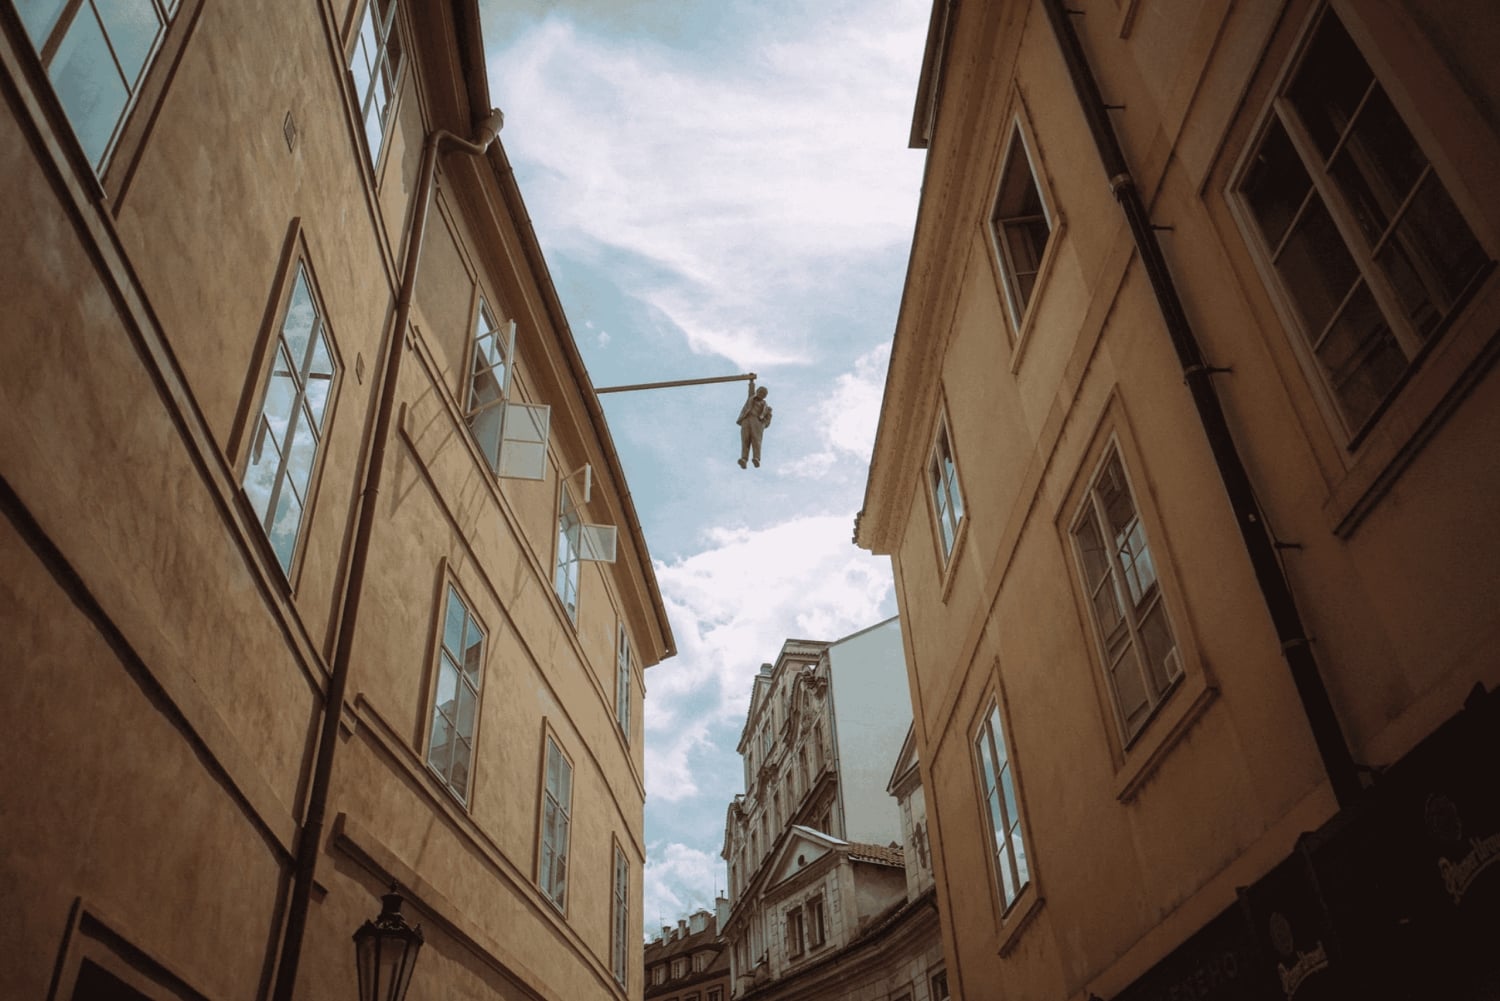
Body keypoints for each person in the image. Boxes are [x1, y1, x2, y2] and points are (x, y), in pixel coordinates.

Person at [736, 374, 772, 468]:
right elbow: (751, 389)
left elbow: (768, 420)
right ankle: (744, 459)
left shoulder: (766, 407)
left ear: (765, 396)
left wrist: (763, 424)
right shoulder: (751, 398)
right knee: (745, 440)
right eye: (760, 392)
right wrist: (751, 381)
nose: (761, 394)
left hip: (757, 422)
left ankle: (756, 458)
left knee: (756, 440)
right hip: (746, 420)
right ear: (757, 392)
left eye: (764, 393)